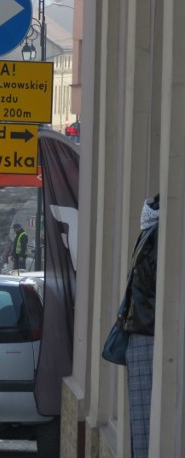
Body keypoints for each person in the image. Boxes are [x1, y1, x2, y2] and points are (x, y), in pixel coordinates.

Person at [122, 193, 159, 458]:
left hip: (142, 330)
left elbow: (140, 284)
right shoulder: (154, 236)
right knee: (144, 414)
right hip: (145, 329)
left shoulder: (150, 235)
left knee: (141, 413)